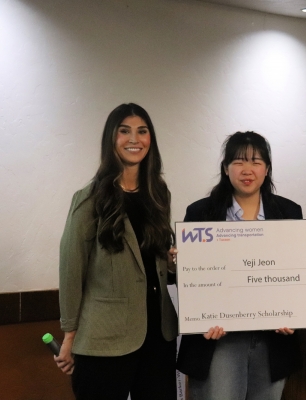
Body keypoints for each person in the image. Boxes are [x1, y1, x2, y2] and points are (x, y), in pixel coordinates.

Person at [56, 103, 178, 399]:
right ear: (111, 139)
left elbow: (156, 261)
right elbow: (71, 268)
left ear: (151, 140)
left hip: (158, 335)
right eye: (124, 131)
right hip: (105, 338)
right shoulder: (88, 199)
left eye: (142, 131)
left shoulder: (158, 193)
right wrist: (70, 335)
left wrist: (174, 262)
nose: (134, 139)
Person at [176, 131, 302, 400]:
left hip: (272, 341)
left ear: (267, 169)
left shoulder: (290, 213)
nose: (247, 170)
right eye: (238, 161)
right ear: (225, 168)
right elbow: (191, 278)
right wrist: (200, 313)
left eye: (256, 162)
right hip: (219, 341)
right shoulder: (200, 213)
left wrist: (294, 312)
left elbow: (298, 273)